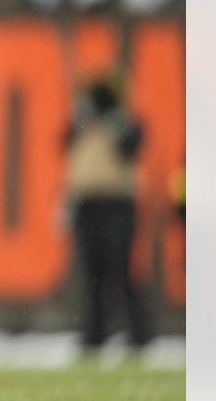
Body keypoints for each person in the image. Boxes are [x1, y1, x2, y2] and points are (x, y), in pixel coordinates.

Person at [65, 77, 152, 349]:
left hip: (116, 205)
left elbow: (132, 147)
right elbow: (64, 142)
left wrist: (114, 120)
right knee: (91, 274)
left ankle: (138, 333)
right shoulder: (83, 122)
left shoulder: (125, 122)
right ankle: (94, 333)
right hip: (87, 204)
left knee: (121, 270)